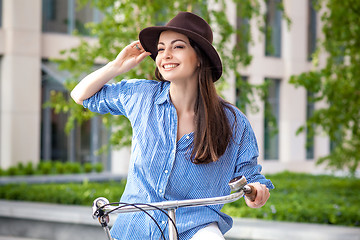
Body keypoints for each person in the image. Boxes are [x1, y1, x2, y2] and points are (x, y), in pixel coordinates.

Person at [71, 11, 274, 240]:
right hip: (135, 228)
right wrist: (116, 66)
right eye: (160, 49)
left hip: (196, 229)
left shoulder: (233, 121)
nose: (165, 55)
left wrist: (256, 192)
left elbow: (251, 177)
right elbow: (81, 95)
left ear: (200, 57)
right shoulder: (141, 96)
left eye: (177, 47)